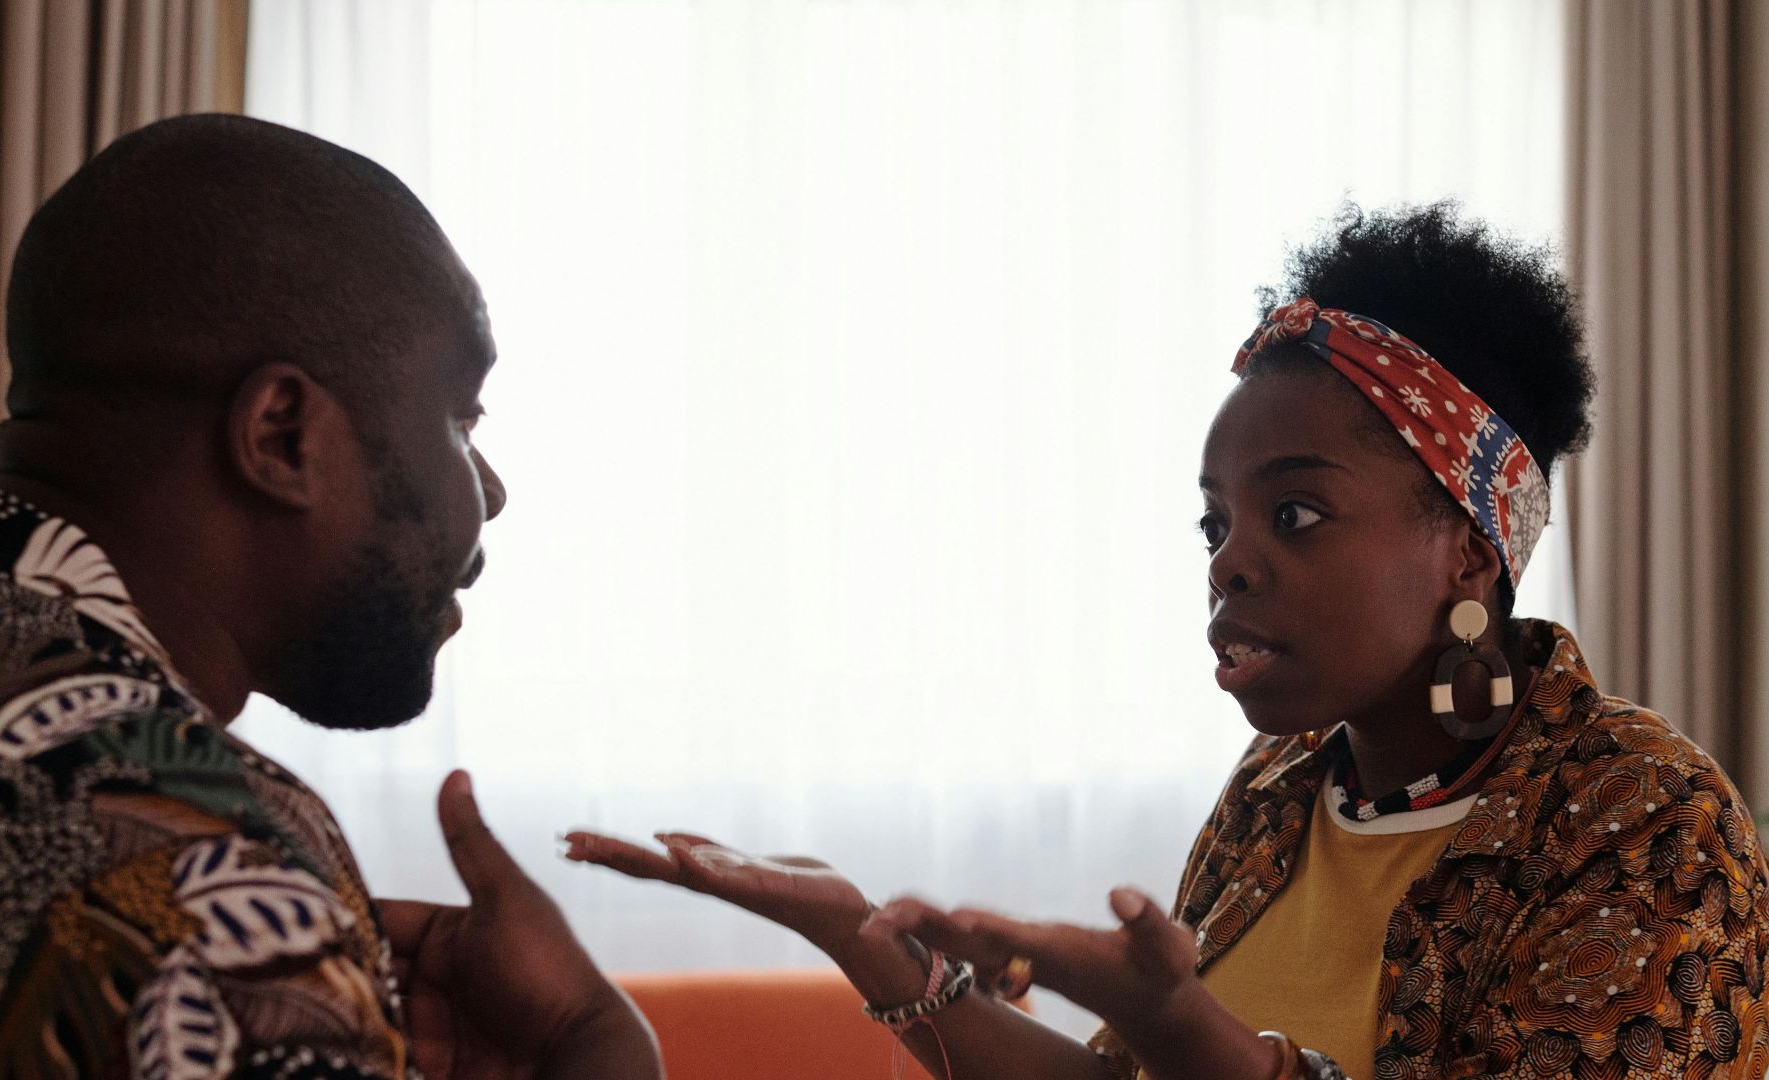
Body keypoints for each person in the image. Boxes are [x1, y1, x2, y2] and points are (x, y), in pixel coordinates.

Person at [567, 203, 1769, 1079]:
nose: (1229, 559)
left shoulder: (1643, 821)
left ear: (1467, 547)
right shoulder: (1280, 791)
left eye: (1294, 512)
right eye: (1215, 520)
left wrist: (1186, 1030)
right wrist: (863, 939)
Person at [0, 115, 661, 1080]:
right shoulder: (212, 886)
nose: (488, 490)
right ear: (281, 436)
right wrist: (593, 1047)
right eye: (459, 417)